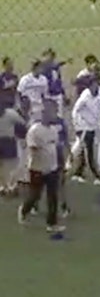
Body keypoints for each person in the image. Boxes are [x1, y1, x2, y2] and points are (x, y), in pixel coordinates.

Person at [17, 100, 63, 234]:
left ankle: (52, 223)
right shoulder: (35, 130)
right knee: (35, 195)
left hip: (52, 168)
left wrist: (60, 163)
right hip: (38, 169)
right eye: (52, 113)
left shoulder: (54, 130)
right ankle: (24, 209)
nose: (54, 116)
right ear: (44, 115)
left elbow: (56, 147)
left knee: (52, 196)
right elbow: (32, 148)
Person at [0, 102, 25, 196]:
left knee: (10, 165)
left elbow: (22, 124)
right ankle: (3, 186)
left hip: (8, 141)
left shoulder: (11, 114)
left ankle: (11, 186)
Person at [40, 49, 72, 113]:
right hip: (47, 96)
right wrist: (64, 62)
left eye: (52, 57)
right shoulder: (43, 70)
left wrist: (64, 96)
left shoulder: (55, 70)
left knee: (58, 116)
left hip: (57, 95)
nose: (51, 59)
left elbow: (59, 83)